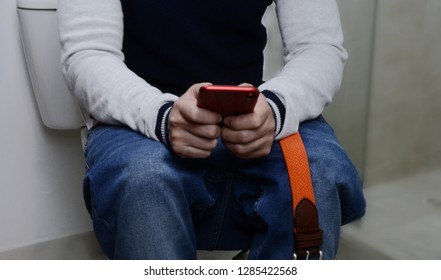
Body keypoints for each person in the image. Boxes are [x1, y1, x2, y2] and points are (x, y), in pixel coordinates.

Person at [58, 0, 366, 260]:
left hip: (252, 111)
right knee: (146, 178)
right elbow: (90, 53)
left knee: (320, 170)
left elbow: (317, 47)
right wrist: (163, 117)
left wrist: (273, 109)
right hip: (139, 114)